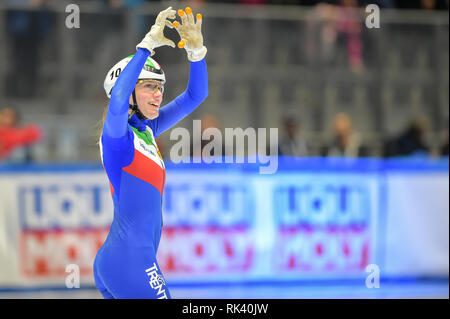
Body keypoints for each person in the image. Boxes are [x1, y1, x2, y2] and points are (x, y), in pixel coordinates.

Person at [93, 7, 208, 299]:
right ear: (129, 91)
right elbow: (118, 100)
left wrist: (196, 52)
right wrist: (145, 47)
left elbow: (196, 95)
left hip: (122, 261)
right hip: (130, 261)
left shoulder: (147, 130)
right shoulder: (116, 139)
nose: (158, 94)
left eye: (160, 87)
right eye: (148, 87)